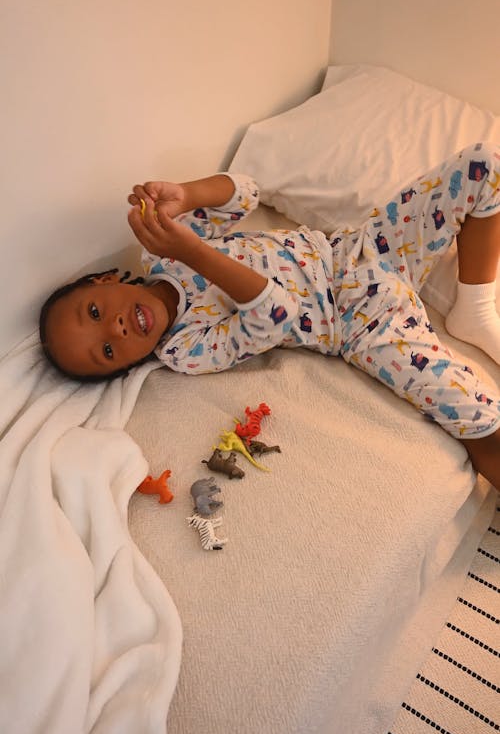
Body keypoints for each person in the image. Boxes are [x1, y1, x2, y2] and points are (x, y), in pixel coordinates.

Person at [39, 143, 500, 489]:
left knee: (484, 166)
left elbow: (245, 194)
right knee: (475, 418)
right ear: (126, 366)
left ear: (102, 281)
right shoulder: (183, 348)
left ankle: (474, 305)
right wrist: (195, 253)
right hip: (358, 319)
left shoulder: (161, 255)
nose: (115, 330)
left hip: (359, 249)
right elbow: (277, 314)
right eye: (106, 351)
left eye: (95, 312)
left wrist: (186, 194)